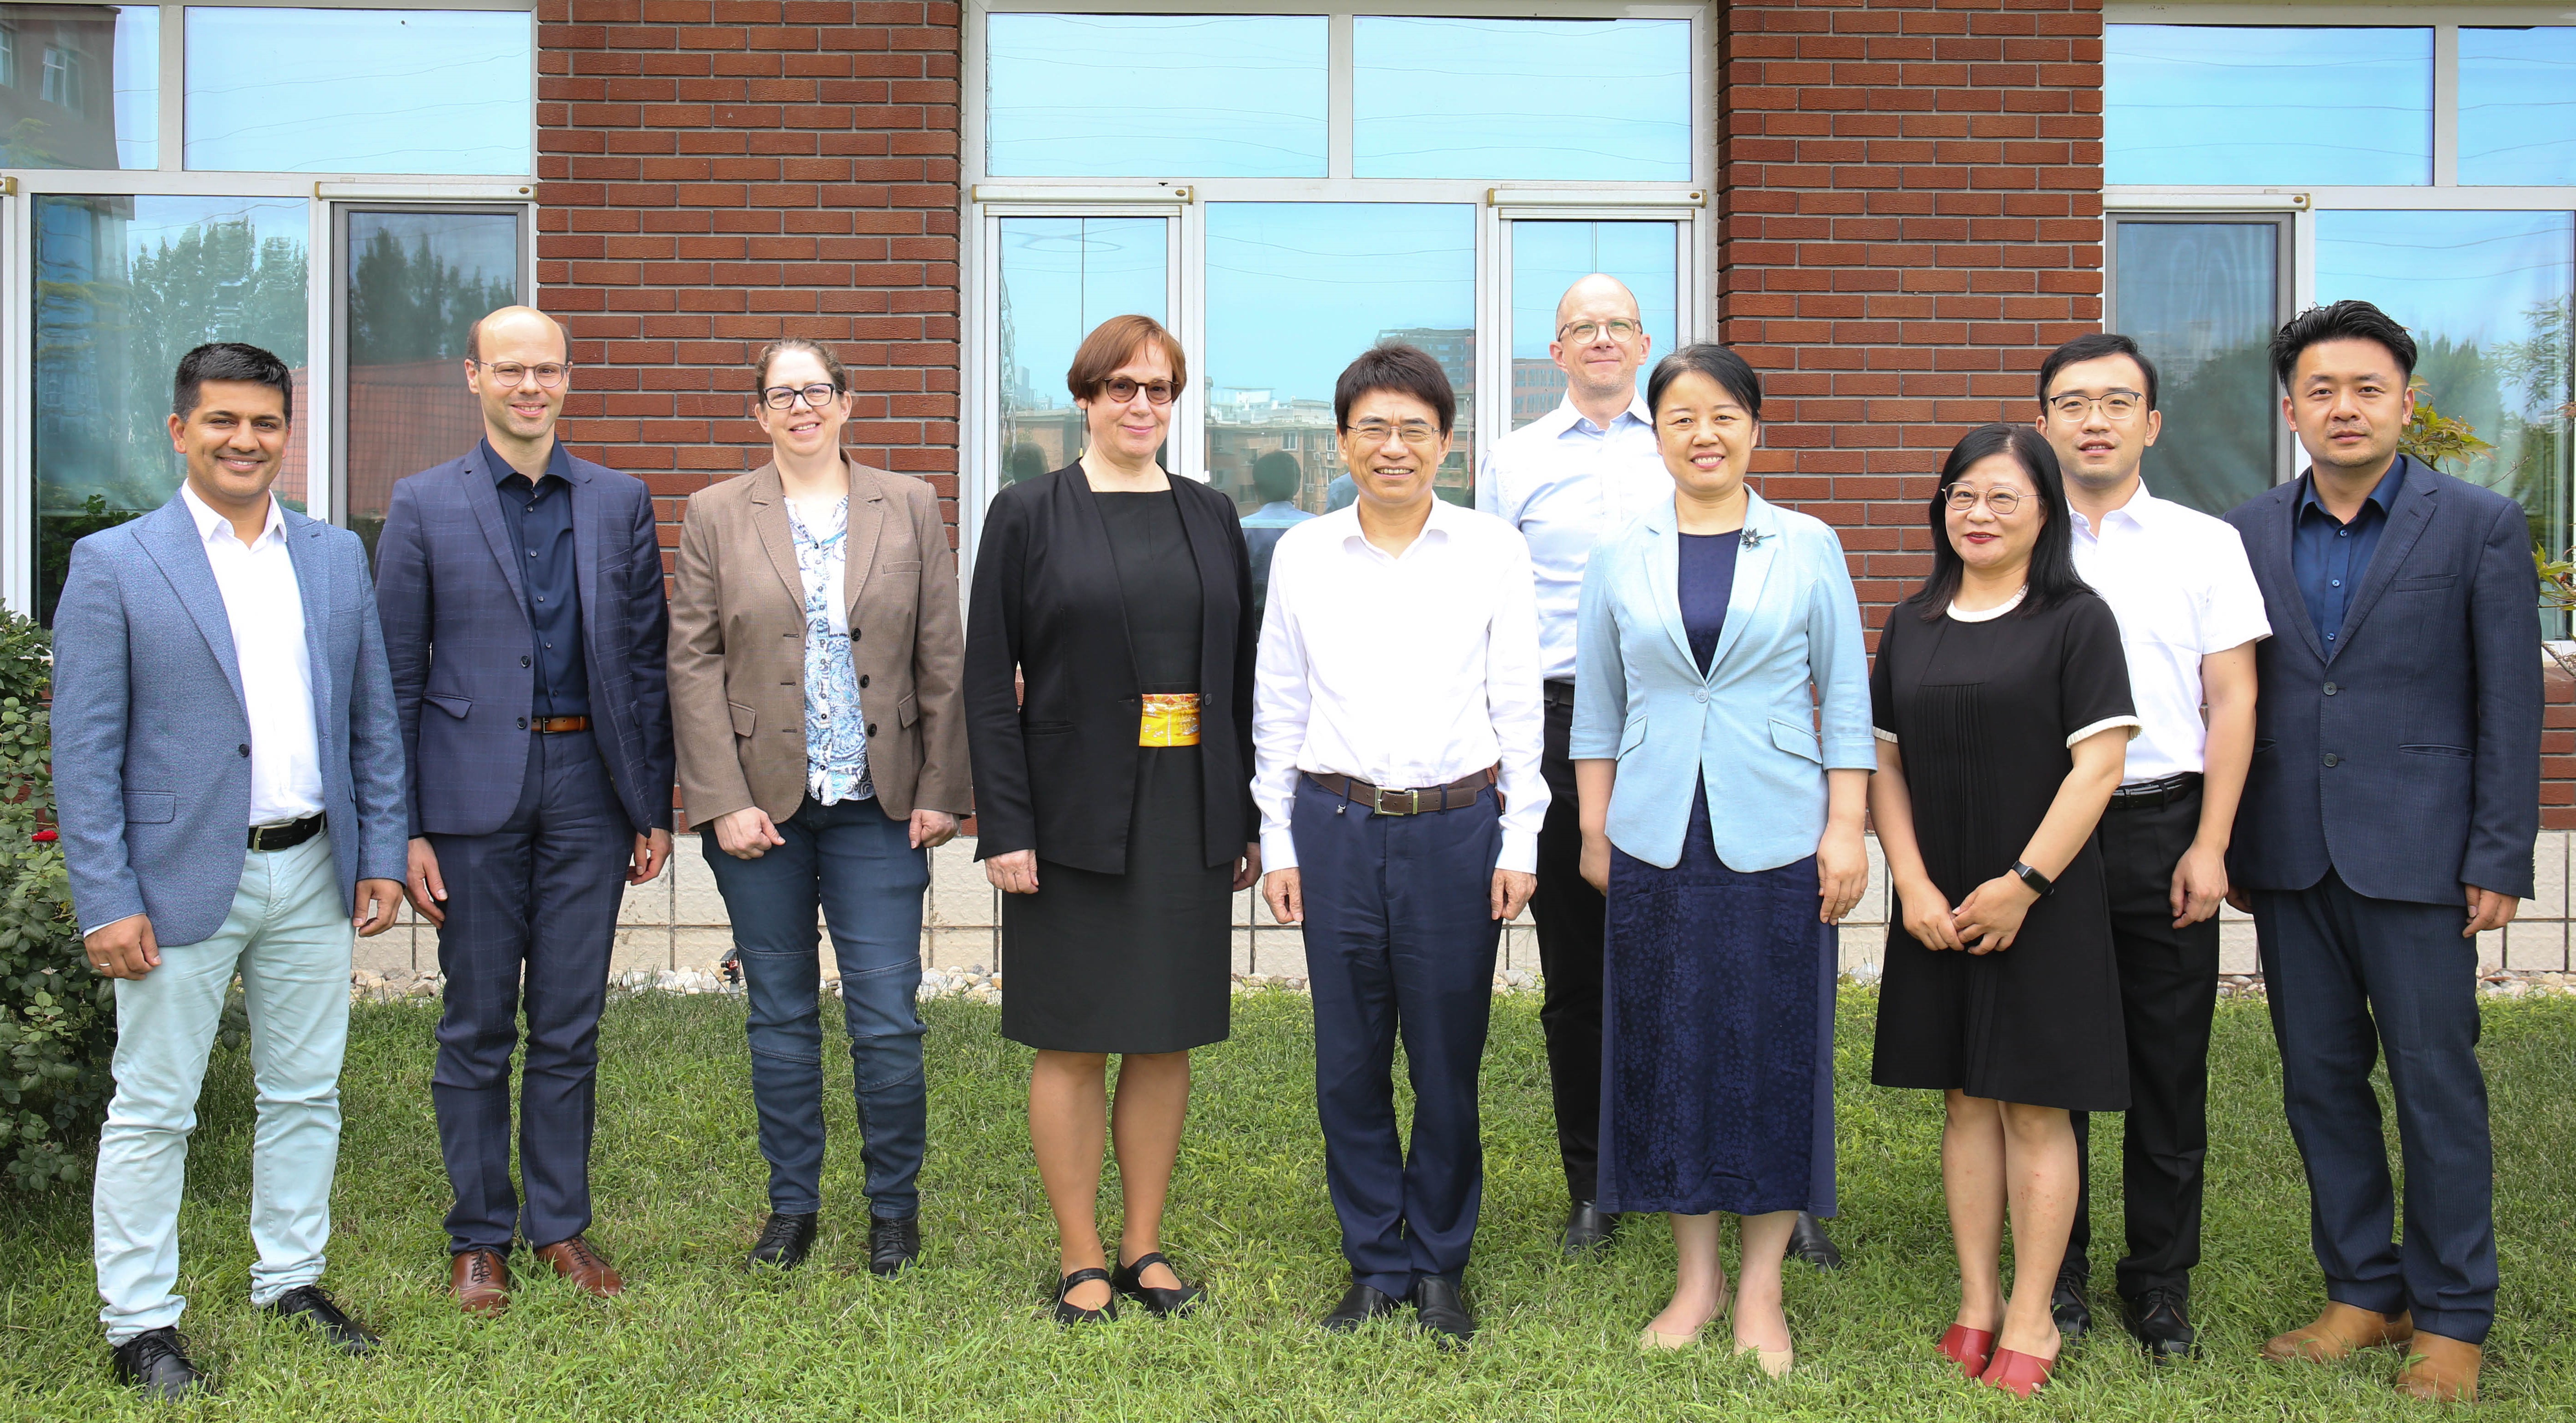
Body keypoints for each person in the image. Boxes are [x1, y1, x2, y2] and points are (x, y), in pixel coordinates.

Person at [53, 343, 409, 1399]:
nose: (244, 440)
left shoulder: (337, 555)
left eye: (263, 422)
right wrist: (105, 897)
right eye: (221, 422)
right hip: (174, 882)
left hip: (311, 866)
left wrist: (380, 849)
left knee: (304, 1089)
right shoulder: (117, 563)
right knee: (154, 1105)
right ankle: (142, 1321)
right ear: (180, 431)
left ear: (285, 433)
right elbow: (84, 752)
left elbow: (372, 720)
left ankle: (290, 1277)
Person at [1481, 276, 1843, 1265]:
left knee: (1749, 968)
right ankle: (1598, 1179)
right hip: (1576, 721)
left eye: (1616, 325)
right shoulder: (1513, 461)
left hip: (1725, 738)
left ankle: (1779, 1184)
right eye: (1578, 328)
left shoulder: (1687, 440)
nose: (1600, 339)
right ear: (1555, 349)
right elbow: (1496, 607)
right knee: (1582, 968)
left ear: (1641, 342)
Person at [2223, 300, 2539, 1405]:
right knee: (2317, 1083)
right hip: (2289, 854)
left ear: (2406, 401)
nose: (2343, 406)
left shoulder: (2478, 525)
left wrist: (2498, 851)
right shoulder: (2247, 531)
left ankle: (2452, 1309)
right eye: (2320, 389)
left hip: (2421, 854)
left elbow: (2508, 700)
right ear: (2289, 409)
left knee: (2432, 1081)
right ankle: (2362, 1287)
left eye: (2365, 387)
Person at [1571, 343, 1872, 1374]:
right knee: (1668, 1050)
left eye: (1723, 415)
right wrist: (1592, 827)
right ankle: (1693, 1276)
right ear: (1653, 434)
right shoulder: (1621, 552)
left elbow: (1845, 697)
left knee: (1772, 1052)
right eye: (1680, 417)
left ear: (1753, 426)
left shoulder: (1807, 542)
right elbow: (1598, 708)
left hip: (1780, 829)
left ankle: (1761, 1287)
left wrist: (1846, 827)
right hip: (1655, 832)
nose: (1702, 434)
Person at [373, 305, 675, 1316]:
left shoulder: (619, 500)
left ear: (567, 379)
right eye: (509, 369)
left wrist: (651, 801)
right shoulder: (420, 504)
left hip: (588, 788)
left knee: (570, 1020)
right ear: (473, 378)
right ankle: (477, 1237)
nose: (529, 385)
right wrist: (403, 824)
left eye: (546, 368)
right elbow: (394, 677)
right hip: (467, 801)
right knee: (474, 1023)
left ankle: (557, 1224)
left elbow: (642, 662)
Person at [964, 314, 1260, 1325]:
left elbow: (1242, 674)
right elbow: (983, 681)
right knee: (1074, 1035)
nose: (1142, 406)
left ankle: (1143, 1240)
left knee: (1165, 1033)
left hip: (1188, 807)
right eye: (1122, 387)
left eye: (1161, 389)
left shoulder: (1210, 512)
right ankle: (1081, 1251)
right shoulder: (1027, 513)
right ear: (1084, 398)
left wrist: (1245, 807)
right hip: (1071, 810)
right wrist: (1004, 822)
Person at [1256, 342, 1547, 1348]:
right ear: (1341, 442)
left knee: (1445, 1055)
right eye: (1372, 428)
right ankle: (1375, 1257)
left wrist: (1521, 837)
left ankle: (1440, 1260)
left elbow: (1518, 706)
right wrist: (1276, 837)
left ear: (1446, 444)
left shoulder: (1492, 549)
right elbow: (1279, 704)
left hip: (1456, 830)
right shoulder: (1302, 552)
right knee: (1347, 1059)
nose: (1393, 447)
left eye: (1414, 428)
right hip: (1333, 828)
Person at [668, 338, 969, 1276]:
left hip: (880, 809)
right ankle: (792, 1205)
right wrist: (720, 800)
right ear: (759, 412)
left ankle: (893, 1210)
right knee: (782, 1013)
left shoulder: (908, 502)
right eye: (781, 393)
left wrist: (941, 790)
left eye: (817, 390)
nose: (802, 406)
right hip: (761, 810)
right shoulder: (715, 513)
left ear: (845, 401)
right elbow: (693, 660)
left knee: (886, 1013)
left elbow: (941, 654)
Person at [1868, 423, 2139, 1399]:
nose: (1976, 514)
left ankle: (2033, 1313)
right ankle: (1977, 1299)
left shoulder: (2075, 618)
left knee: (2032, 1099)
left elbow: (2097, 766)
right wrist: (1912, 884)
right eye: (1960, 496)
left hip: (2042, 899)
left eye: (2000, 497)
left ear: (2043, 512)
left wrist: (2023, 883)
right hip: (1937, 902)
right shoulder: (1913, 621)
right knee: (1963, 1096)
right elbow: (1885, 762)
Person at [2030, 333, 2269, 1359]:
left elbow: (2233, 695)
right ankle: (2060, 1270)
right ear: (2042, 423)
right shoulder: (2013, 535)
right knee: (2053, 1066)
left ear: (2150, 423)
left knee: (2168, 1068)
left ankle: (2158, 1281)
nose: (2094, 418)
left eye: (2116, 401)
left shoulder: (2202, 541)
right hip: (2043, 831)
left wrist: (2210, 841)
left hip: (2161, 825)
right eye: (2072, 402)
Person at [1239, 448, 1314, 627]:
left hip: (1256, 624)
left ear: (1256, 488)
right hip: (1307, 623)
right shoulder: (1317, 527)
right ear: (1297, 486)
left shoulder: (1242, 529)